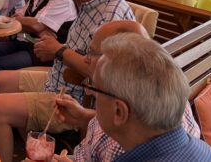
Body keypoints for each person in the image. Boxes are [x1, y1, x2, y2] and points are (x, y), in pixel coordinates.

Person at [0, 0, 134, 162]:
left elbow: (98, 73)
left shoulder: (110, 17)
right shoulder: (92, 4)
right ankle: (33, 148)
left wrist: (58, 50)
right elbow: (81, 50)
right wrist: (56, 47)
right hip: (60, 77)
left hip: (75, 97)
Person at [52, 21, 202, 162]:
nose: (86, 59)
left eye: (95, 89)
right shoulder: (163, 106)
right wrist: (85, 117)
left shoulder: (120, 149)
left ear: (119, 111)